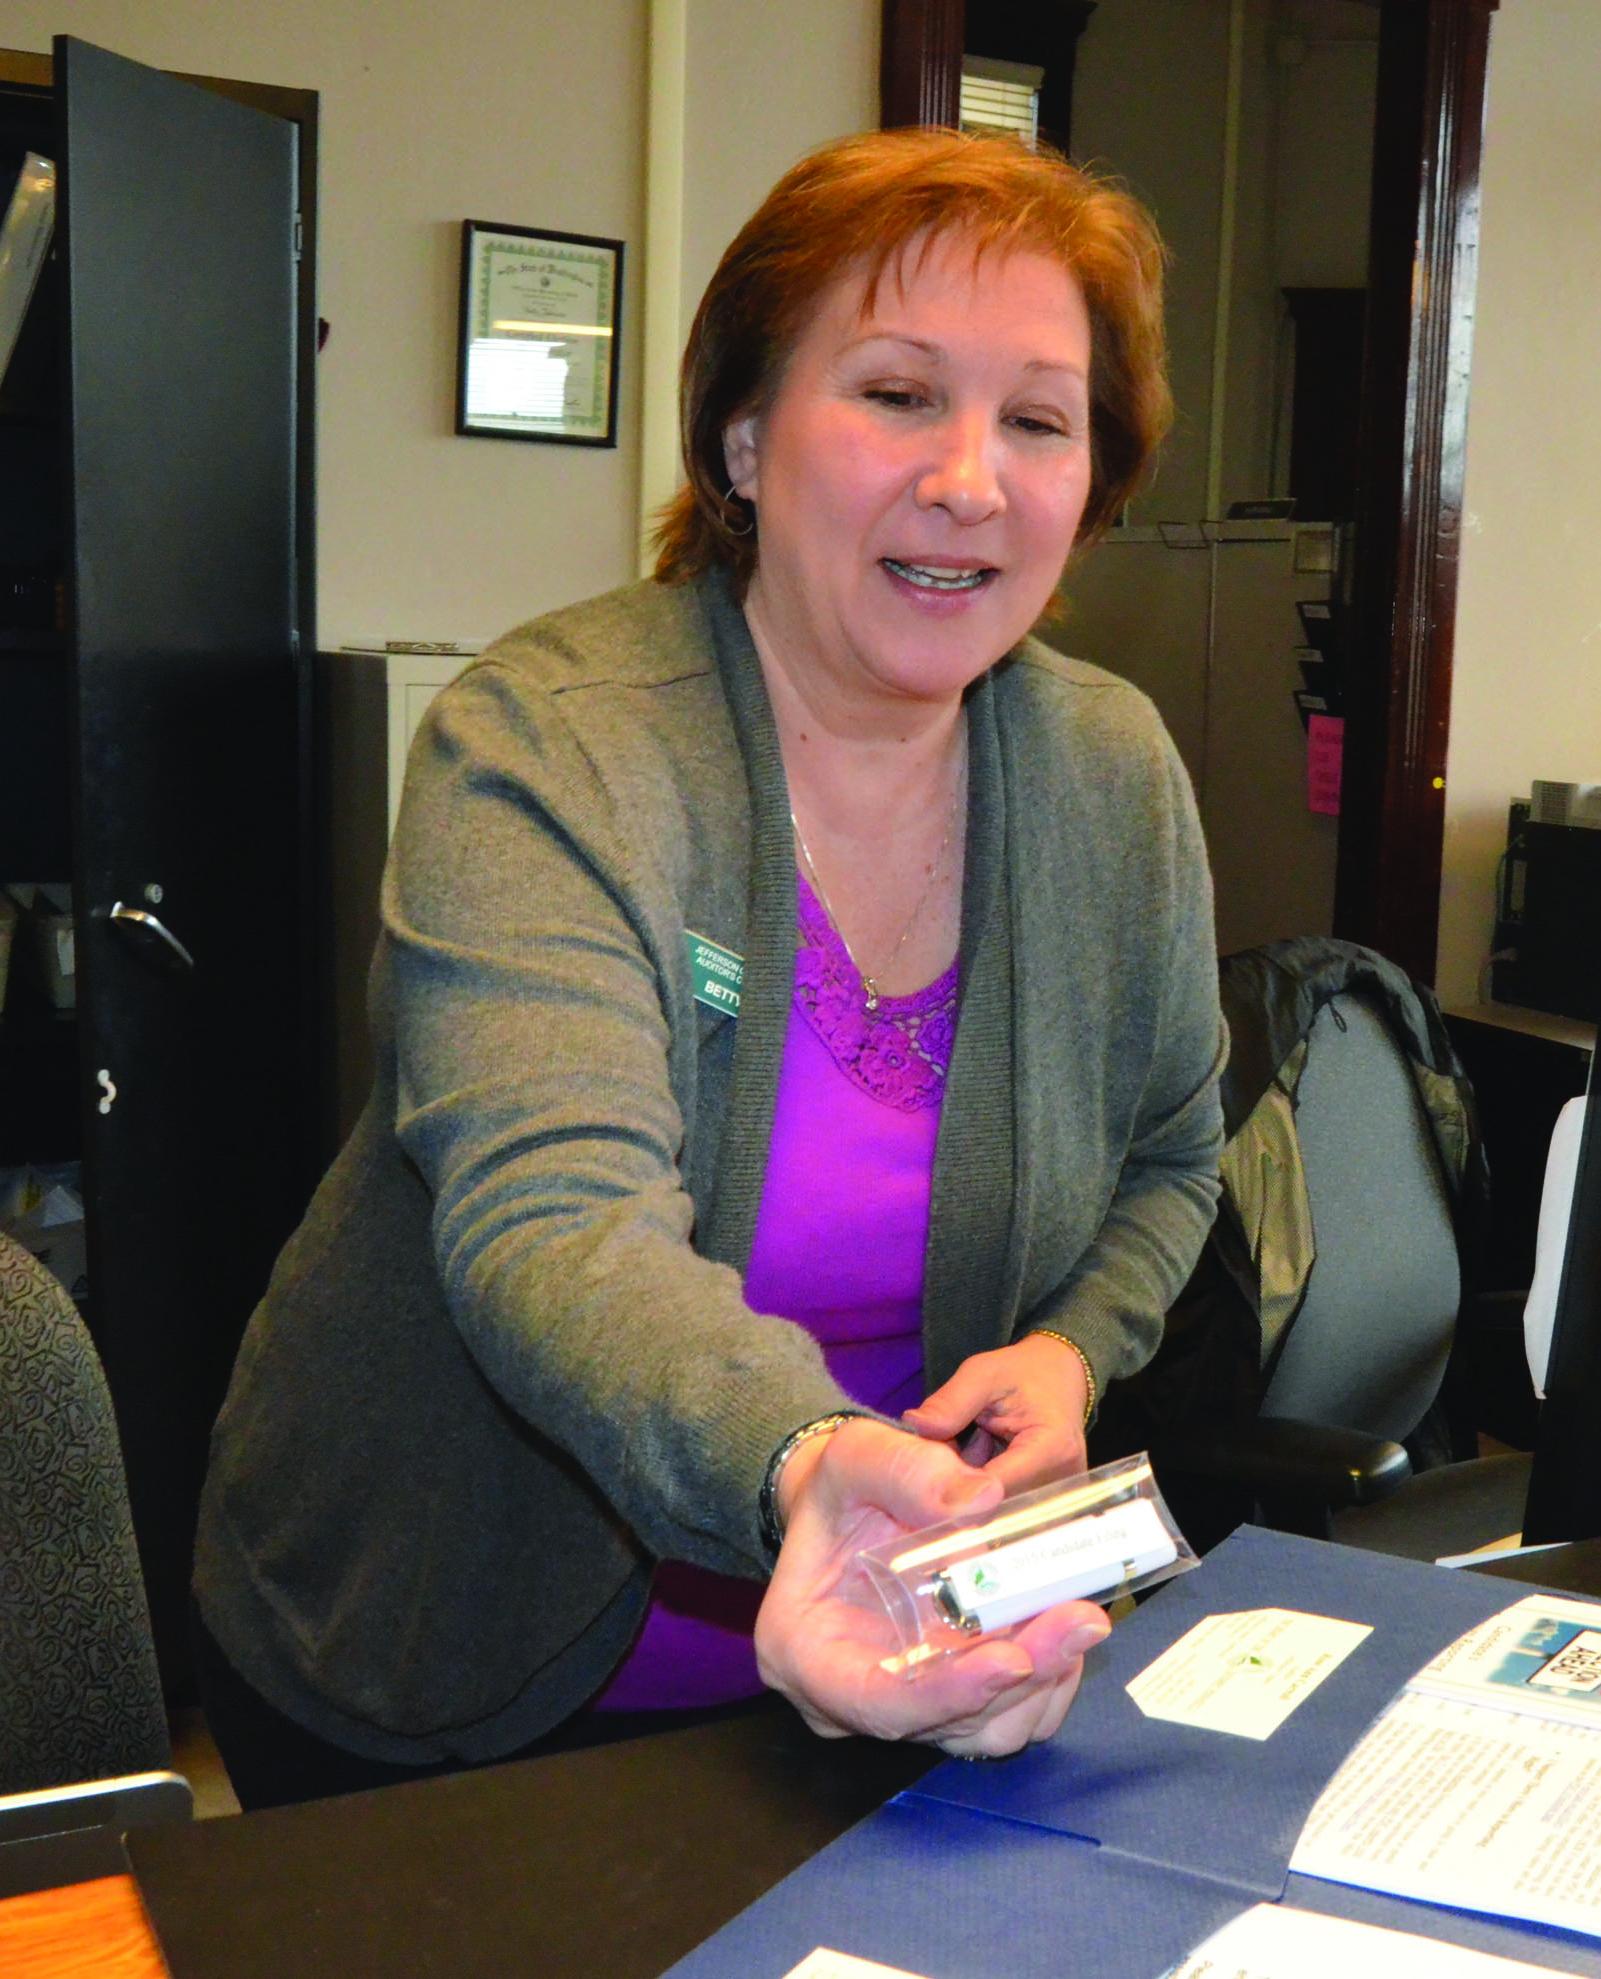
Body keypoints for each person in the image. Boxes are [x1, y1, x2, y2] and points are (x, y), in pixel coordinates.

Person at [190, 129, 1224, 1807]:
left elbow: (1176, 1151)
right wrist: (802, 1459)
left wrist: (1073, 1351)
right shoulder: (552, 742)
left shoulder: (1112, 773)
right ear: (745, 438)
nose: (971, 475)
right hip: (445, 1658)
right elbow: (555, 1216)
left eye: (1037, 417)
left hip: (884, 1648)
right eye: (897, 394)